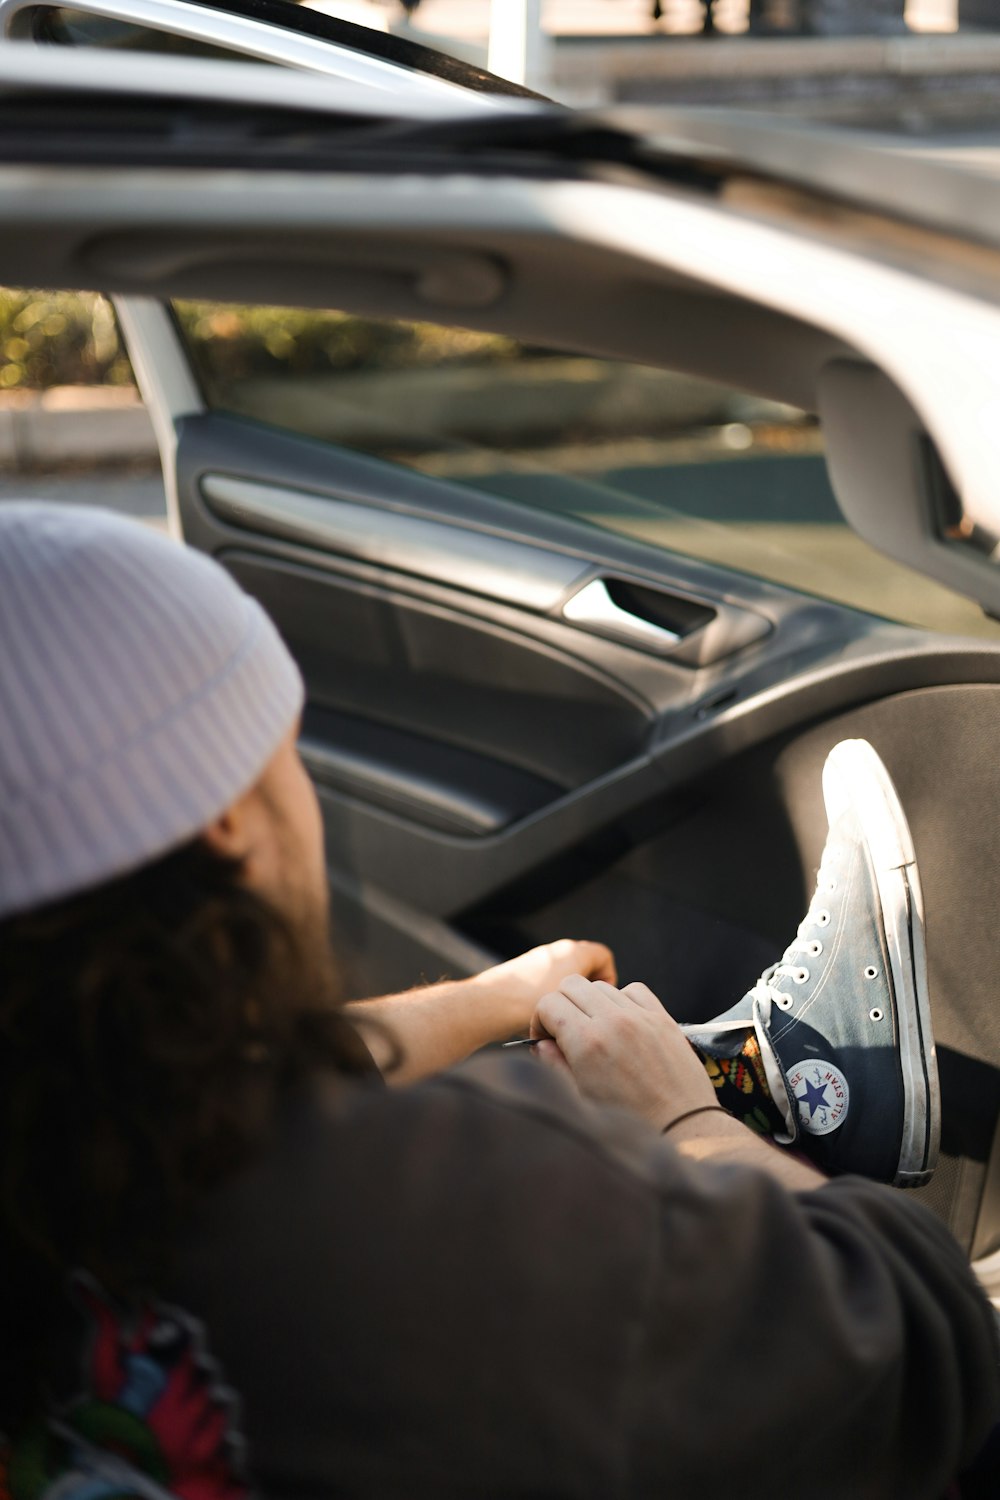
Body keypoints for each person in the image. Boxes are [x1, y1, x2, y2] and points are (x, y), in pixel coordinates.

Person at [0, 503, 996, 1500]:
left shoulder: (59, 1160)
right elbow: (913, 1339)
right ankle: (763, 1092)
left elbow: (243, 1087)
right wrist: (683, 1116)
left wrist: (492, 998)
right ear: (230, 824)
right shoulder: (449, 1201)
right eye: (284, 753)